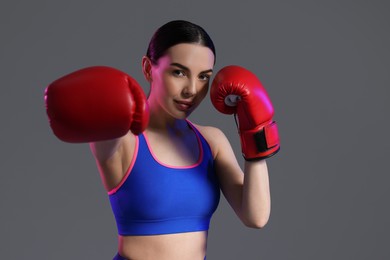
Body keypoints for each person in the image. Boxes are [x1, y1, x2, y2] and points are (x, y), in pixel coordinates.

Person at [45, 20, 280, 260]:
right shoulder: (123, 138)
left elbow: (255, 217)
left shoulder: (211, 140)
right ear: (148, 68)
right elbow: (92, 116)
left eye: (203, 77)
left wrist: (255, 133)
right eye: (178, 72)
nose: (191, 89)